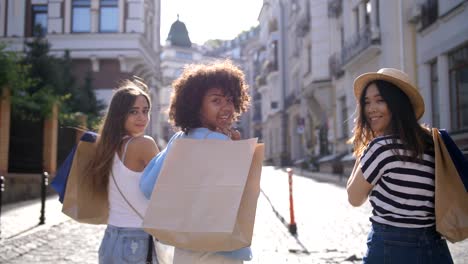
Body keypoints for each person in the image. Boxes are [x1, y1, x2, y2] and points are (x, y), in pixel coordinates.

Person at [139, 60, 251, 263]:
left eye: (229, 100)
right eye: (216, 101)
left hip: (184, 246)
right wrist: (236, 147)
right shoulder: (222, 143)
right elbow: (245, 195)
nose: (226, 107)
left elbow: (147, 187)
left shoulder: (179, 139)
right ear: (196, 105)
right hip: (221, 249)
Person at [346, 68, 453, 263]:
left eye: (380, 100)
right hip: (435, 248)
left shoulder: (381, 148)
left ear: (397, 104)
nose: (371, 109)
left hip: (391, 248)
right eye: (367, 102)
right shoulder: (433, 144)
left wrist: (365, 147)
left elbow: (354, 197)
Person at [83, 80, 160, 263]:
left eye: (145, 111)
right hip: (136, 241)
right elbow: (165, 190)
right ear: (119, 115)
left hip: (111, 239)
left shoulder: (104, 147)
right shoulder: (144, 144)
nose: (142, 117)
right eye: (133, 111)